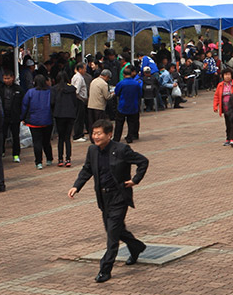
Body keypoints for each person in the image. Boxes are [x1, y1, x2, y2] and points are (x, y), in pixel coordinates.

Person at [68, 119, 149, 283]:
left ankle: (105, 269)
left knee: (112, 235)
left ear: (109, 134)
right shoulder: (92, 150)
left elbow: (143, 161)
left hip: (119, 197)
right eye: (93, 133)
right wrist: (77, 186)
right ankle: (136, 246)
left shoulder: (121, 149)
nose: (95, 137)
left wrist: (135, 180)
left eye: (99, 133)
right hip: (104, 198)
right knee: (115, 230)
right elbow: (87, 169)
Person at [20, 75, 53, 170]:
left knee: (37, 142)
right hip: (47, 120)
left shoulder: (30, 92)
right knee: (46, 141)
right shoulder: (49, 91)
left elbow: (25, 106)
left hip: (34, 121)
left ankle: (38, 162)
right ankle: (49, 158)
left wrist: (23, 117)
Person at [0, 71, 24, 163]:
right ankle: (1, 152)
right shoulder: (0, 89)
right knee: (2, 135)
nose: (7, 80)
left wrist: (22, 116)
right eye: (5, 78)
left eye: (8, 78)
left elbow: (22, 103)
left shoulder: (18, 89)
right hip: (3, 116)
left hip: (15, 116)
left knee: (15, 136)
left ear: (12, 78)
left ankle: (16, 154)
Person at [113, 66, 143, 143]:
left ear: (123, 74)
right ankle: (130, 137)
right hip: (133, 105)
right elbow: (140, 94)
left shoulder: (121, 83)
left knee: (119, 123)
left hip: (123, 105)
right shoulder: (136, 83)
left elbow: (116, 93)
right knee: (131, 123)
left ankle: (116, 138)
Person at [212, 69, 233, 145]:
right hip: (225, 107)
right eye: (225, 75)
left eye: (229, 74)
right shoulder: (220, 85)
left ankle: (232, 139)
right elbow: (216, 96)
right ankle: (228, 138)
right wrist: (215, 106)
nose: (227, 76)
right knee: (227, 123)